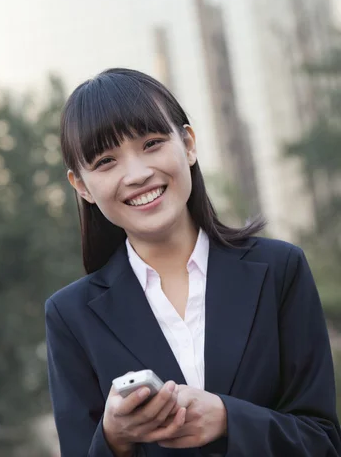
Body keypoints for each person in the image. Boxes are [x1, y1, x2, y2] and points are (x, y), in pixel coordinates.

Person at [45, 67, 341, 457]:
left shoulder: (280, 270)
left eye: (151, 143)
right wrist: (114, 437)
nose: (137, 174)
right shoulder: (70, 316)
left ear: (188, 144)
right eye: (106, 161)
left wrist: (227, 419)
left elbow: (323, 440)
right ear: (81, 186)